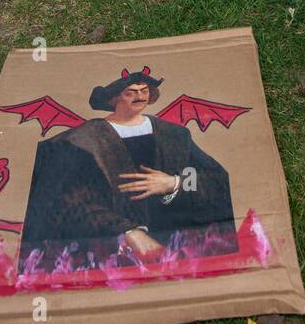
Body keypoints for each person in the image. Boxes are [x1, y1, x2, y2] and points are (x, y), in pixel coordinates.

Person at [18, 68, 236, 271]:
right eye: (130, 92)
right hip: (109, 253)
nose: (140, 96)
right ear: (114, 99)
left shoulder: (175, 134)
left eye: (144, 91)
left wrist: (174, 183)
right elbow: (65, 202)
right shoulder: (81, 140)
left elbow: (217, 180)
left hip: (181, 247)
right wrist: (126, 232)